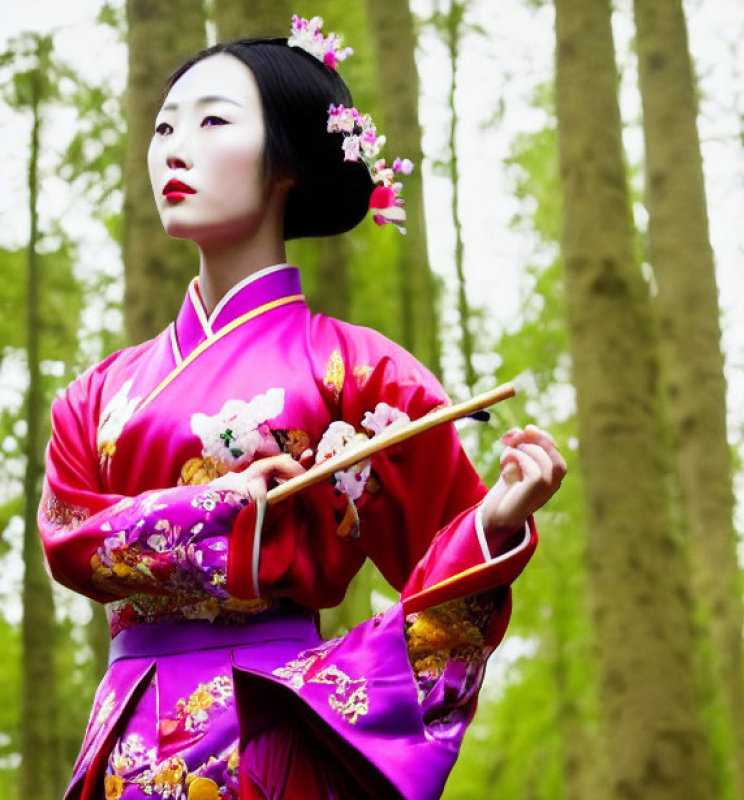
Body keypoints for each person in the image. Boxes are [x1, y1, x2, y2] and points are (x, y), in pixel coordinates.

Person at [38, 16, 565, 800]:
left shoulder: (360, 370)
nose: (174, 147)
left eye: (213, 120)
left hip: (272, 735)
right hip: (124, 739)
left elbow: (441, 561)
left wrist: (495, 523)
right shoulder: (98, 392)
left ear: (287, 159)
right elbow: (67, 539)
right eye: (162, 126)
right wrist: (226, 505)